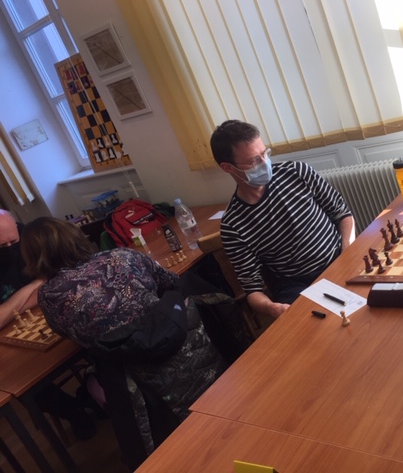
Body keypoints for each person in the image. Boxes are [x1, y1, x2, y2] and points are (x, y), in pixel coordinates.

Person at [20, 217, 228, 470]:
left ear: (34, 256)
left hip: (139, 380)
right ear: (75, 237)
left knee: (92, 378)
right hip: (188, 350)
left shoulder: (49, 295)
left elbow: (69, 333)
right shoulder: (123, 256)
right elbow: (172, 283)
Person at [210, 120, 355, 318]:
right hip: (298, 284)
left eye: (265, 154)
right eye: (254, 160)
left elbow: (343, 215)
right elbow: (252, 290)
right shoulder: (233, 225)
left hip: (338, 255)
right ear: (228, 168)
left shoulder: (297, 172)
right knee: (315, 328)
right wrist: (271, 307)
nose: (264, 163)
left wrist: (347, 250)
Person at [0, 209, 97, 440]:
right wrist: (34, 284)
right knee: (23, 382)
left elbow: (57, 279)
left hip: (54, 310)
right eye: (2, 246)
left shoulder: (29, 236)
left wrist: (13, 305)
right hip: (15, 336)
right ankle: (76, 413)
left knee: (94, 340)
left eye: (14, 241)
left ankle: (97, 395)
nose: (11, 248)